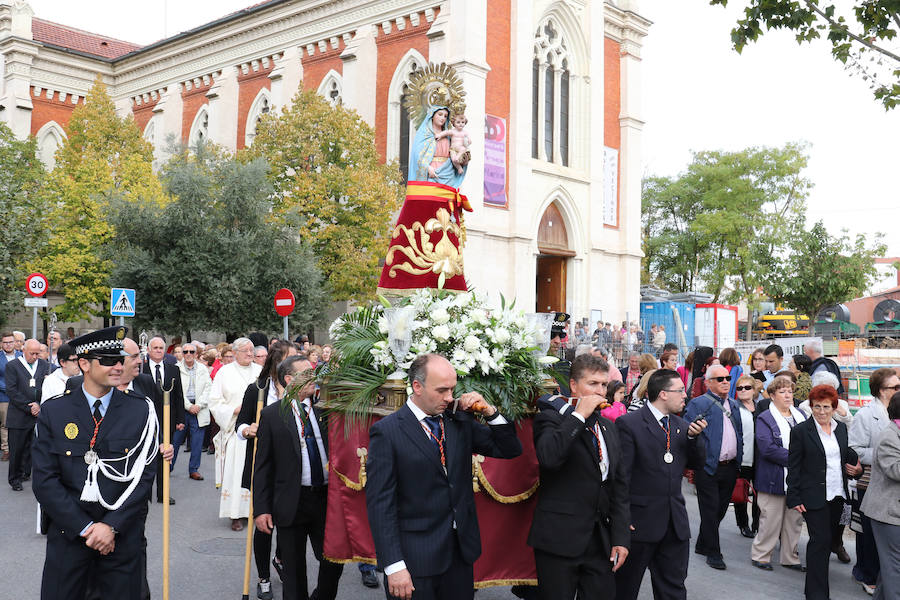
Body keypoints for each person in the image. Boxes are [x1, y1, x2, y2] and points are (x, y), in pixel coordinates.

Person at [366, 354, 521, 600]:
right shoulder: (387, 432)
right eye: (441, 390)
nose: (449, 397)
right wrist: (394, 566)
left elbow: (510, 448)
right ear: (417, 387)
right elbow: (380, 505)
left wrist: (490, 411)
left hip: (459, 555)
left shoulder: (458, 421)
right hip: (414, 561)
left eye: (452, 389)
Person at [32, 326, 160, 600]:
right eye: (107, 360)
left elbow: (143, 478)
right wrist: (88, 529)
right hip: (70, 536)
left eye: (119, 360)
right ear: (84, 364)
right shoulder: (54, 412)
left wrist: (110, 527)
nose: (117, 366)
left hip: (121, 539)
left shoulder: (141, 410)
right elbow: (45, 481)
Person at [528, 354, 629, 599]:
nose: (601, 391)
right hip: (559, 539)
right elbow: (549, 457)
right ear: (574, 385)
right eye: (593, 384)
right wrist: (578, 416)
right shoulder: (550, 419)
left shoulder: (608, 427)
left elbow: (619, 486)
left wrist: (621, 537)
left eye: (604, 385)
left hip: (600, 540)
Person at [253, 356, 343, 600]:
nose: (313, 377)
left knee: (334, 560)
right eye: (306, 374)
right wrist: (261, 509)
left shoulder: (326, 408)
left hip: (325, 499)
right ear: (289, 380)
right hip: (290, 501)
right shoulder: (272, 415)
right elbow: (262, 466)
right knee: (293, 570)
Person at [614, 369, 707, 600]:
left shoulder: (682, 425)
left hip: (674, 525)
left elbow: (697, 464)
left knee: (673, 590)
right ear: (663, 394)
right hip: (639, 524)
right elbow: (621, 479)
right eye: (680, 391)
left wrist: (695, 439)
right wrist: (622, 521)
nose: (685, 396)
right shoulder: (630, 424)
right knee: (624, 590)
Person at [788, 384, 863, 600]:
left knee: (828, 540)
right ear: (811, 407)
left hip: (837, 495)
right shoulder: (801, 432)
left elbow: (844, 455)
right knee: (819, 542)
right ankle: (817, 594)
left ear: (834, 407)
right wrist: (794, 496)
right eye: (817, 407)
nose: (822, 412)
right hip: (813, 495)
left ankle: (815, 590)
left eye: (827, 407)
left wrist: (858, 470)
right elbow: (794, 466)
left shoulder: (840, 428)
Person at [236, 340, 295, 597]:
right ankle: (263, 577)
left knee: (288, 521)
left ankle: (280, 559)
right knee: (263, 524)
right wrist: (248, 430)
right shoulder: (257, 389)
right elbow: (240, 426)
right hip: (263, 466)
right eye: (291, 358)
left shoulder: (299, 389)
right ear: (278, 363)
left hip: (291, 469)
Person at [683, 364, 742, 570]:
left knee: (720, 510)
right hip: (707, 467)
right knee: (709, 511)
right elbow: (687, 433)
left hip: (730, 466)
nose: (725, 381)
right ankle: (713, 552)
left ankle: (702, 543)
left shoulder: (733, 404)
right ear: (708, 383)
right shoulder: (698, 404)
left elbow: (739, 433)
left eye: (727, 378)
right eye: (720, 379)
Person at [849, 367, 898, 595]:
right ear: (881, 390)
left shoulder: (893, 413)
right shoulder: (866, 415)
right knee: (867, 533)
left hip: (887, 487)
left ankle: (879, 583)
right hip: (868, 480)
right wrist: (879, 456)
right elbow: (855, 449)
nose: (898, 389)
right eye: (895, 387)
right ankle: (865, 573)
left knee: (886, 553)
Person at [751, 376, 806, 571]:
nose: (788, 395)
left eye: (790, 391)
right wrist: (798, 458)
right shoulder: (765, 418)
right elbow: (767, 448)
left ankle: (789, 557)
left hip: (797, 479)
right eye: (782, 392)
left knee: (794, 521)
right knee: (770, 520)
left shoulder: (801, 415)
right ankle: (761, 555)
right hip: (773, 478)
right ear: (772, 395)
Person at [209, 337, 261, 530]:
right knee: (236, 472)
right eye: (246, 351)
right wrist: (234, 410)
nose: (250, 354)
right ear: (236, 352)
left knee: (257, 470)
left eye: (252, 350)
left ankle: (256, 510)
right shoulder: (224, 372)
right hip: (236, 430)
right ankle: (235, 513)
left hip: (258, 428)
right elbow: (214, 402)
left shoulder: (259, 372)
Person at [859, 391, 900, 600]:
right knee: (895, 568)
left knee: (891, 567)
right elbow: (895, 470)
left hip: (893, 512)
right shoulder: (889, 436)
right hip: (887, 513)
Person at [141, 336, 185, 504]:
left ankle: (163, 493)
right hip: (146, 420)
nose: (158, 350)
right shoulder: (141, 369)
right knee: (147, 456)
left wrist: (180, 418)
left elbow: (178, 395)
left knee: (165, 457)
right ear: (149, 350)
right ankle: (144, 494)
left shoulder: (173, 369)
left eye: (161, 348)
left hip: (168, 419)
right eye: (155, 348)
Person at [6, 338, 50, 490]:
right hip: (19, 414)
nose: (35, 356)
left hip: (38, 413)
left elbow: (48, 386)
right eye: (32, 353)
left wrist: (39, 404)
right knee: (17, 448)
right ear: (23, 350)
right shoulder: (13, 366)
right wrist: (28, 406)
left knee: (33, 447)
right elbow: (11, 390)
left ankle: (26, 472)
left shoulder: (44, 365)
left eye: (38, 353)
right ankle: (15, 479)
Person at [172, 342, 211, 481]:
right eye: (186, 352)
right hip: (182, 410)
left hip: (199, 409)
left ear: (196, 354)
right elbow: (176, 392)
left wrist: (199, 405)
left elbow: (208, 388)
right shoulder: (175, 368)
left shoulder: (202, 369)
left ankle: (194, 469)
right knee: (175, 440)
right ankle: (168, 467)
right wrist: (189, 406)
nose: (188, 354)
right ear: (182, 354)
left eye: (191, 352)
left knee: (197, 442)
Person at [409, 106, 467, 188]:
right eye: (440, 114)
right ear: (432, 116)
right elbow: (417, 154)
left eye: (445, 116)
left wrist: (463, 158)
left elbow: (454, 152)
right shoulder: (424, 134)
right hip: (432, 172)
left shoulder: (448, 136)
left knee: (446, 199)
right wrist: (427, 167)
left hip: (448, 173)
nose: (443, 118)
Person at [733, 374, 760, 539]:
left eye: (747, 387)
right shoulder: (734, 408)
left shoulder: (762, 406)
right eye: (739, 388)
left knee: (760, 494)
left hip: (760, 458)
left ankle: (757, 524)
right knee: (740, 493)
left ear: (754, 390)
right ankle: (743, 524)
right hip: (742, 457)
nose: (743, 391)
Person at [0, 331, 23, 461]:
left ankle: (17, 449)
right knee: (5, 424)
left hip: (20, 396)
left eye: (10, 342)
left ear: (15, 342)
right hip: (4, 396)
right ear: (1, 343)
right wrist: (9, 390)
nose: (8, 345)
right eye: (5, 342)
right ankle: (6, 449)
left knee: (19, 423)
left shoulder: (21, 356)